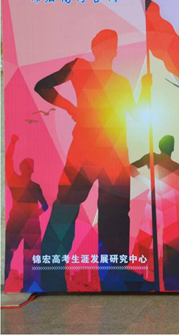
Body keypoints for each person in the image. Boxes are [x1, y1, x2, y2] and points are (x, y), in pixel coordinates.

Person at [35, 29, 152, 292]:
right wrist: (70, 107)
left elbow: (137, 115)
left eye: (114, 44)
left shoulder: (121, 83)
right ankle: (52, 276)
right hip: (85, 152)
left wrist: (145, 89)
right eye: (107, 43)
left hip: (114, 155)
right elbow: (42, 86)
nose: (111, 48)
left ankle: (115, 277)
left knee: (116, 216)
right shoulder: (80, 67)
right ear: (96, 47)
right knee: (66, 209)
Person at [131, 135, 179, 291]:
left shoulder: (152, 158)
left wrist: (147, 183)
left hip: (155, 200)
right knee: (171, 243)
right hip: (169, 204)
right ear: (172, 148)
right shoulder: (175, 165)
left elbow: (131, 168)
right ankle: (171, 280)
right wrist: (174, 195)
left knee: (144, 239)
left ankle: (135, 277)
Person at [4, 134, 49, 292]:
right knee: (30, 258)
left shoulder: (15, 180)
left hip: (18, 221)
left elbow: (8, 161)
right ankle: (29, 288)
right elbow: (45, 206)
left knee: (10, 253)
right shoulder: (33, 185)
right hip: (29, 223)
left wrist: (13, 143)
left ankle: (5, 284)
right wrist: (36, 213)